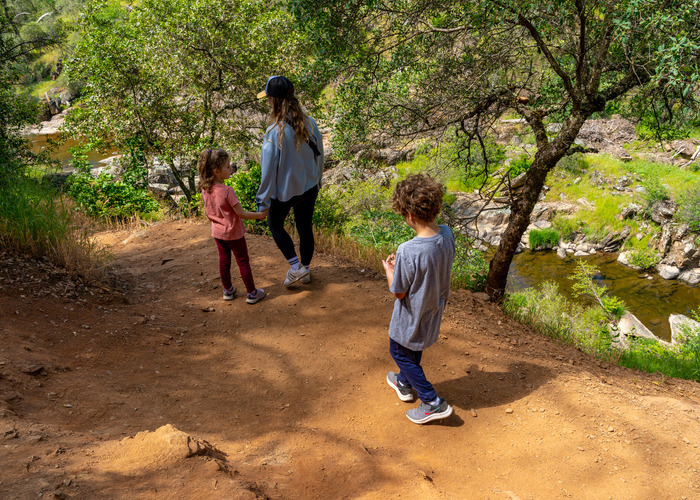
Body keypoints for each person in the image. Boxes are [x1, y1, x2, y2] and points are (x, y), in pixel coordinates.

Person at [381, 174, 456, 424]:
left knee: (398, 350)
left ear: (409, 215)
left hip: (411, 314)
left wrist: (390, 270)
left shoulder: (408, 250)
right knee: (414, 347)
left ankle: (432, 401)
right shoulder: (447, 234)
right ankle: (404, 381)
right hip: (433, 308)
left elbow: (399, 292)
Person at [255, 75, 324, 286]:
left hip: (285, 192)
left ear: (273, 101)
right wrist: (318, 181)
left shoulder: (273, 134)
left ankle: (296, 269)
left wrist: (262, 202)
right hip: (310, 187)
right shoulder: (309, 123)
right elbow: (320, 154)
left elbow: (267, 173)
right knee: (305, 226)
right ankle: (305, 268)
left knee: (275, 224)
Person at [198, 148, 268, 304]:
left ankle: (228, 290)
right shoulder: (227, 191)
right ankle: (252, 293)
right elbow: (241, 213)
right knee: (243, 261)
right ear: (216, 171)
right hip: (233, 233)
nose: (231, 169)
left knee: (224, 260)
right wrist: (260, 215)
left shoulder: (205, 189)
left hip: (217, 233)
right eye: (228, 167)